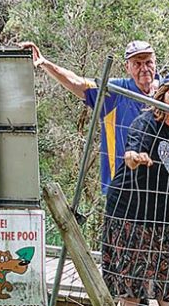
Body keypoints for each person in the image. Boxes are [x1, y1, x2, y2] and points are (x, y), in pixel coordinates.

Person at [101, 72, 169, 306]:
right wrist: (136, 158)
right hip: (132, 214)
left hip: (168, 218)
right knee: (131, 290)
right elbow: (131, 152)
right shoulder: (146, 122)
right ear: (162, 95)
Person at [20, 39, 159, 198]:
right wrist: (45, 63)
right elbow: (77, 83)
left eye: (148, 62)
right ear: (127, 67)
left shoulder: (164, 94)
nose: (144, 68)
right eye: (137, 64)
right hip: (122, 188)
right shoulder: (115, 92)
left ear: (155, 63)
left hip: (156, 190)